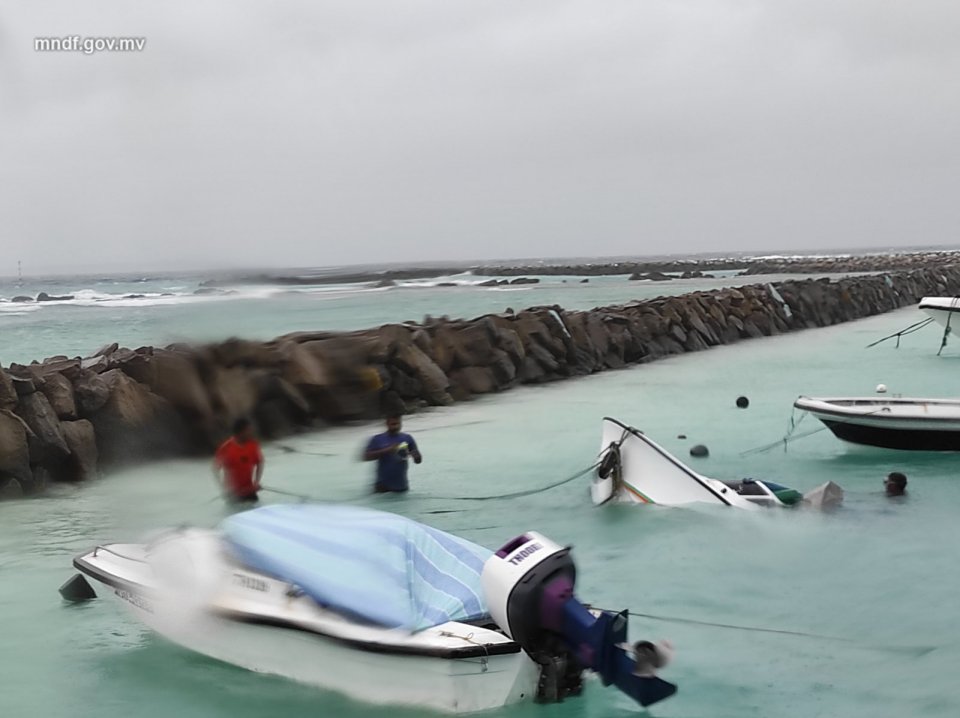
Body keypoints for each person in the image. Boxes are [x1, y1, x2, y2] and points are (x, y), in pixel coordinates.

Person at [363, 415, 422, 493]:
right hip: (382, 486)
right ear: (387, 424)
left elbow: (418, 460)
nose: (396, 426)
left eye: (398, 424)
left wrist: (416, 456)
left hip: (401, 485)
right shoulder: (377, 439)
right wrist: (388, 450)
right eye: (393, 424)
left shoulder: (407, 438)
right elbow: (366, 457)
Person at [213, 417, 265, 503]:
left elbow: (260, 462)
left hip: (250, 490)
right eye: (249, 430)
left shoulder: (253, 444)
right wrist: (223, 488)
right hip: (233, 495)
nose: (251, 432)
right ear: (241, 432)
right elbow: (215, 469)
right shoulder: (226, 448)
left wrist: (256, 482)